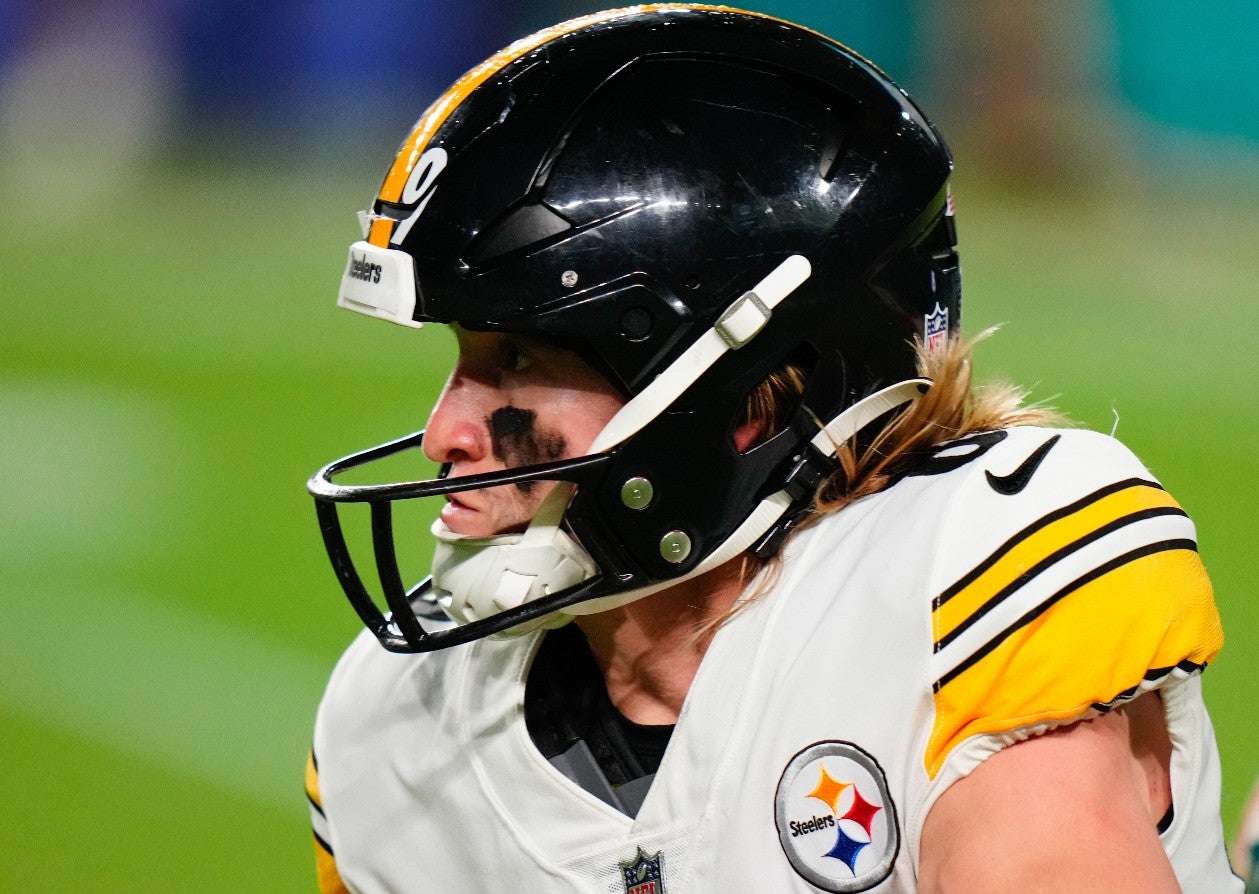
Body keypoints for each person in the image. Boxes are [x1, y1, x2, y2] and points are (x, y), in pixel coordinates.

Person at [304, 6, 1241, 892]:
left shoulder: (964, 578)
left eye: (517, 360)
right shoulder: (393, 720)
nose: (445, 436)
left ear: (745, 396)